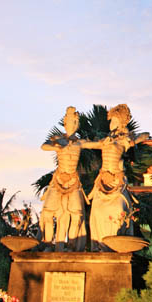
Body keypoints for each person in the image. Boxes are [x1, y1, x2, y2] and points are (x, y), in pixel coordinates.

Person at [82, 104, 148, 251]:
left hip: (117, 181)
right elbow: (88, 145)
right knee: (96, 210)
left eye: (113, 121)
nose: (110, 124)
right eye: (110, 121)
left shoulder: (124, 140)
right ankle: (98, 245)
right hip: (102, 181)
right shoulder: (105, 140)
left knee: (118, 207)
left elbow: (146, 135)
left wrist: (131, 140)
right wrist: (79, 143)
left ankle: (115, 243)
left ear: (120, 123)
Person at [40, 107, 87, 251]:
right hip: (58, 181)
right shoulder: (58, 140)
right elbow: (44, 146)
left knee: (76, 216)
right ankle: (48, 243)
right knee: (47, 213)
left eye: (74, 122)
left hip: (73, 182)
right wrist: (57, 147)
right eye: (69, 122)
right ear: (65, 123)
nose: (71, 125)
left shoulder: (80, 143)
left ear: (77, 125)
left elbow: (98, 145)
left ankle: (71, 246)